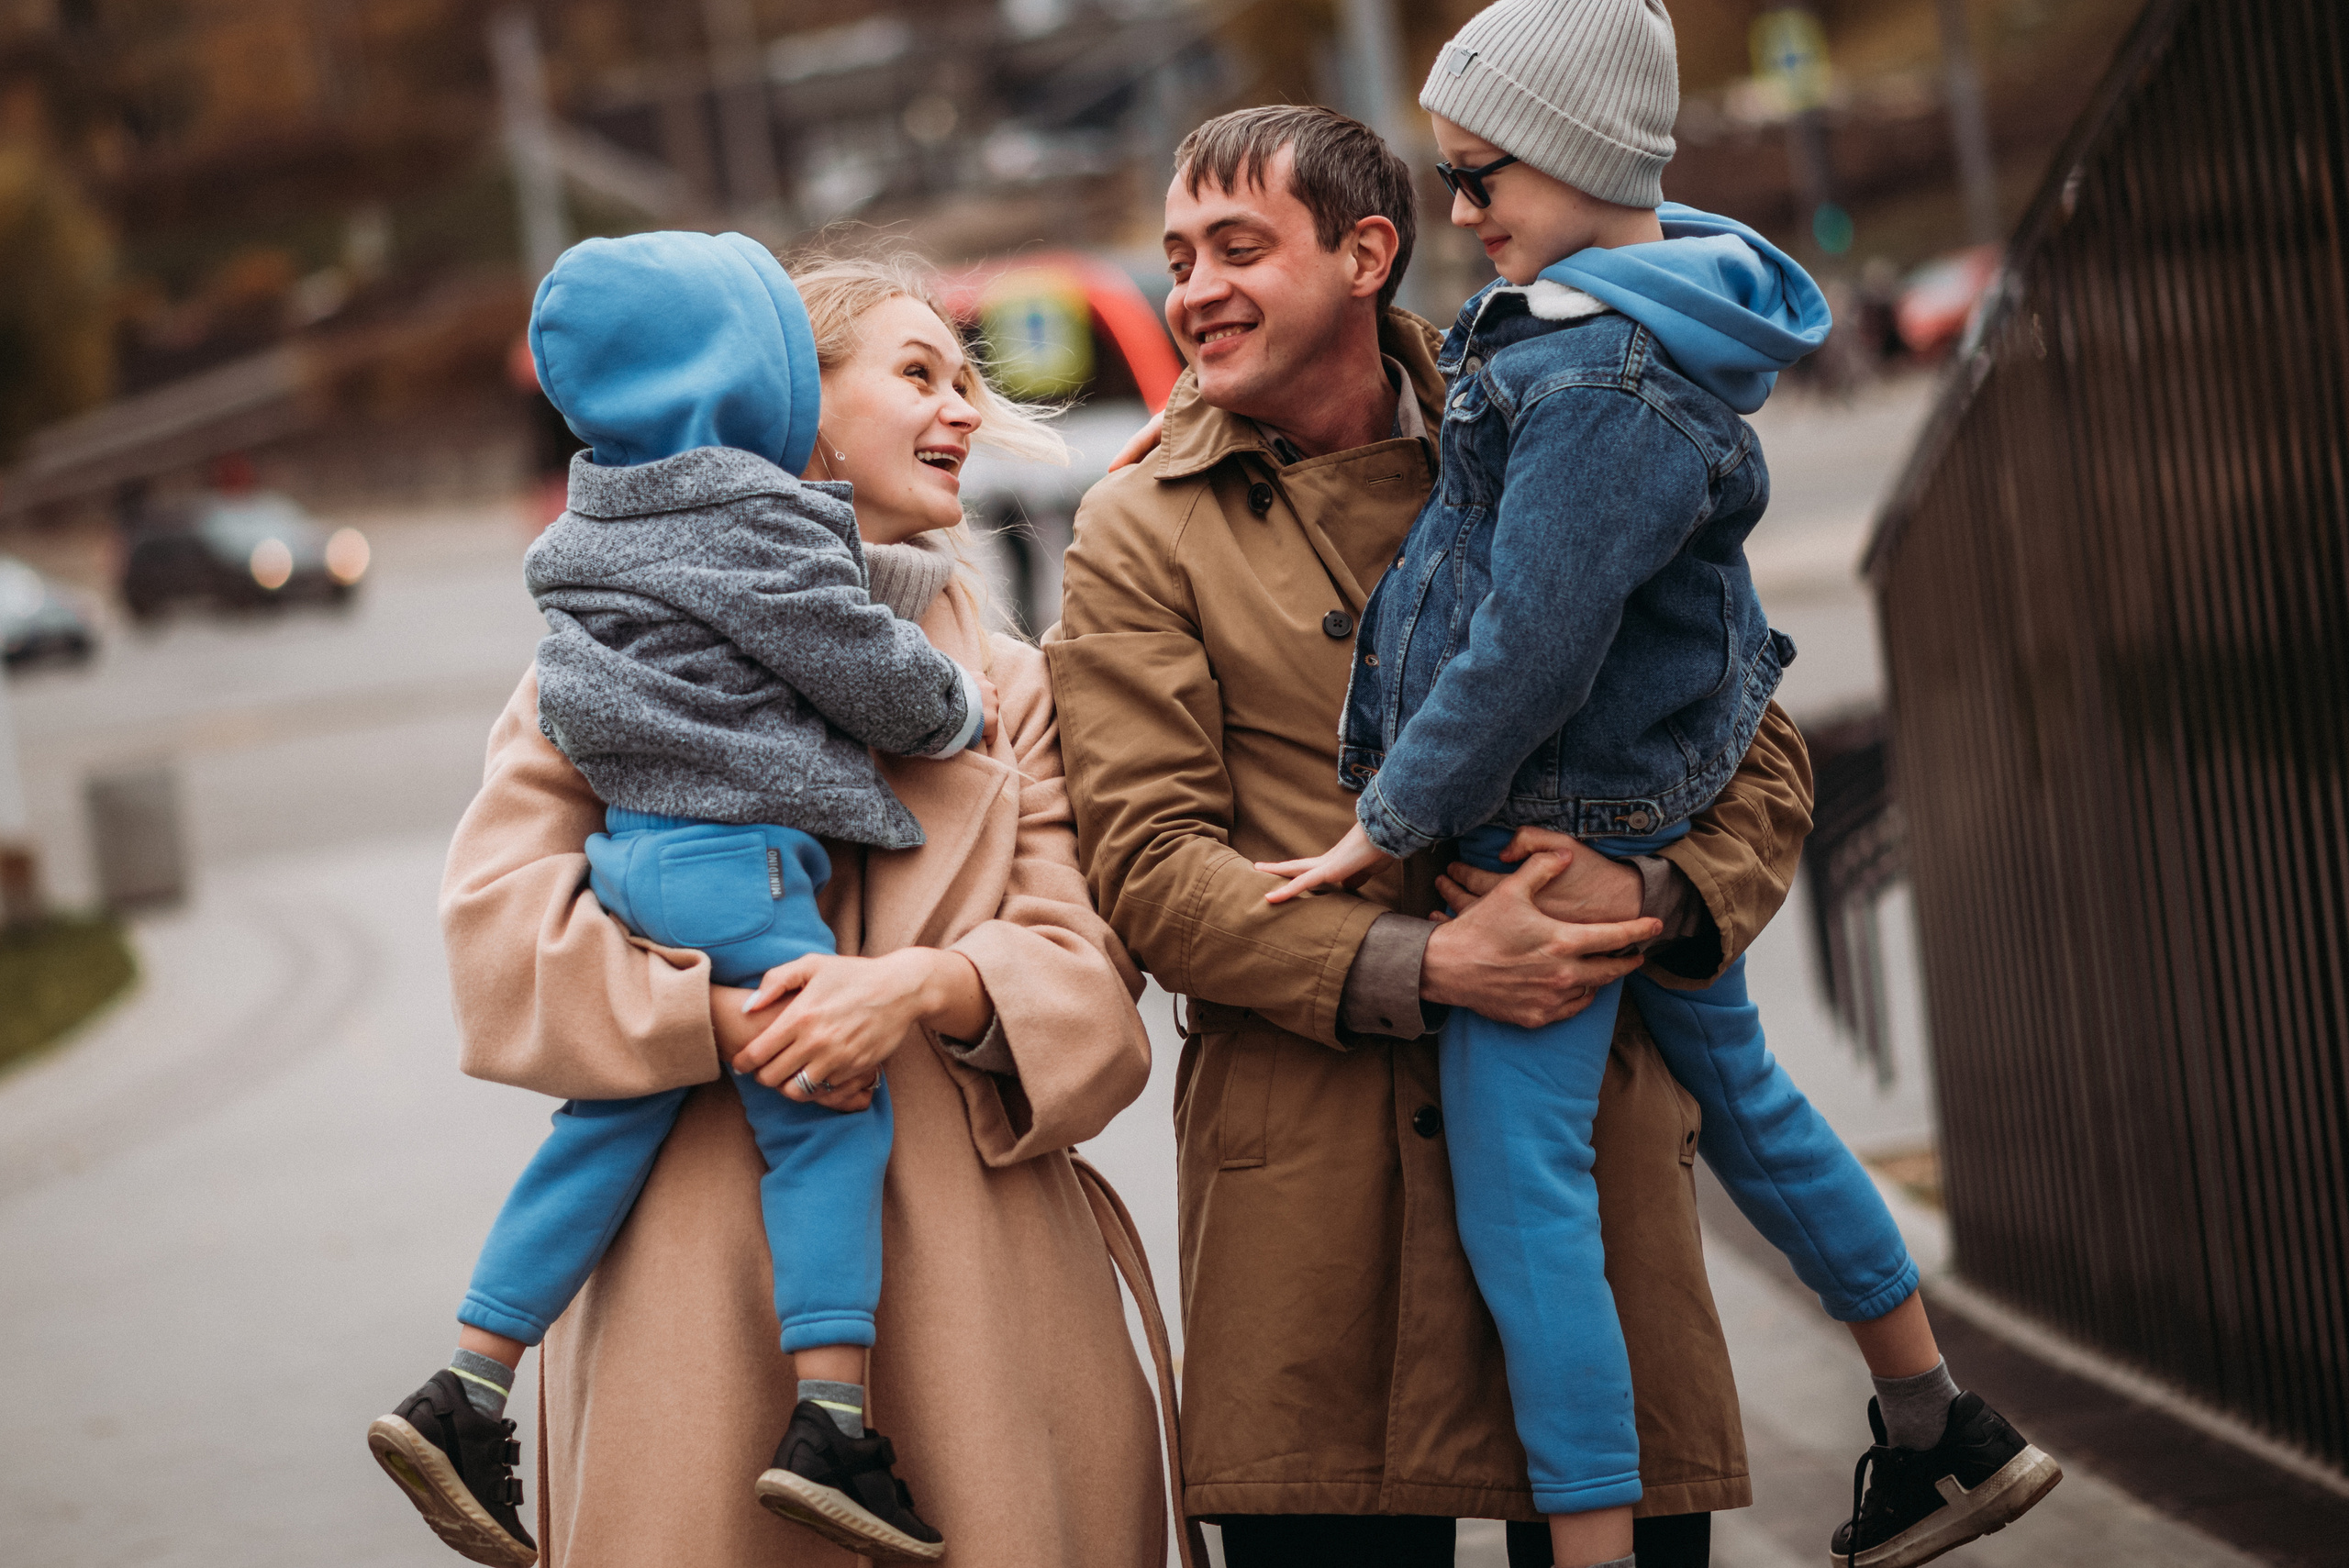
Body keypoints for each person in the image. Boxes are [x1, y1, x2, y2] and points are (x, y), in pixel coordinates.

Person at [1259, 6, 2061, 1567]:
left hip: (1543, 835)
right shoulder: (1657, 304)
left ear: (1577, 157)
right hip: (1628, 813)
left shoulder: (1597, 381)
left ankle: (1596, 1547)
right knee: (1751, 1105)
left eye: (1481, 176)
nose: (1463, 211)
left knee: (1523, 1202)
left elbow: (1531, 641)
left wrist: (1391, 817)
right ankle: (1939, 1423)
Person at [1046, 104, 1813, 1568]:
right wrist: (1434, 964)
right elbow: (1149, 865)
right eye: (1177, 257)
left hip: (1588, 1168)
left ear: (1365, 253)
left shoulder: (1565, 409)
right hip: (1314, 1224)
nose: (1194, 290)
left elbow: (1751, 737)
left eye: (1237, 248)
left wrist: (1643, 887)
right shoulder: (1139, 526)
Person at [429, 250, 1170, 1568]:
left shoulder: (1011, 688)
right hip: (694, 1317)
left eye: (965, 380)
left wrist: (920, 988)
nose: (961, 408)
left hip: (980, 1319)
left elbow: (1094, 989)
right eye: (917, 373)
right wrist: (725, 1022)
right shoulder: (600, 666)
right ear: (790, 401)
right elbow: (499, 943)